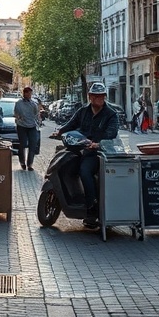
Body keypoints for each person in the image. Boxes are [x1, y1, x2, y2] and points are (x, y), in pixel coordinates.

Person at [51, 82, 120, 227]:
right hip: (80, 149)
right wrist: (59, 131)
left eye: (101, 96)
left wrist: (98, 143)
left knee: (85, 170)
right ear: (90, 97)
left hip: (98, 153)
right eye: (96, 96)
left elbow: (111, 133)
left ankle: (92, 208)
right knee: (67, 165)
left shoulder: (111, 114)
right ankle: (76, 197)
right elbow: (71, 124)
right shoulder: (83, 111)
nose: (99, 98)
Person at [14, 86, 41, 170]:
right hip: (22, 126)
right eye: (28, 93)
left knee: (33, 145)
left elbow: (36, 114)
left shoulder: (33, 104)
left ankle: (30, 164)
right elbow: (16, 113)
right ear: (24, 93)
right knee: (22, 144)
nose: (30, 95)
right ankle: (22, 162)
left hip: (32, 126)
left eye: (30, 94)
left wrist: (38, 122)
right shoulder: (19, 103)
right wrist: (18, 118)